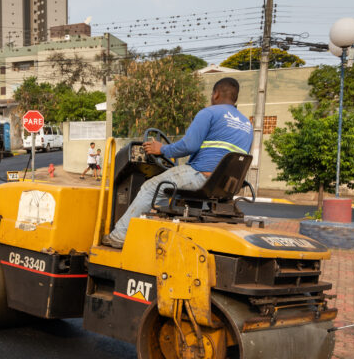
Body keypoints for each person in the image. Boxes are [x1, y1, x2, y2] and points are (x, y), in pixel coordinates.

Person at [103, 77, 253, 248]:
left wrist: (162, 149)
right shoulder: (246, 125)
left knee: (151, 187)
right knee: (175, 192)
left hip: (201, 176)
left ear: (216, 94)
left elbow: (189, 145)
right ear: (235, 97)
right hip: (225, 185)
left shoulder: (209, 113)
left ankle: (119, 236)